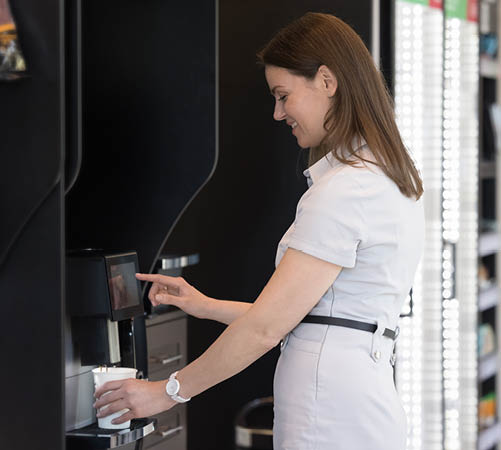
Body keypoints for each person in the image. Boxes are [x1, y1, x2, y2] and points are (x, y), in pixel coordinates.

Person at [94, 12, 424, 450]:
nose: (277, 112)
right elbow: (309, 316)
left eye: (283, 95)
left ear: (326, 80)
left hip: (330, 410)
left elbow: (269, 328)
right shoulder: (383, 176)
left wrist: (166, 391)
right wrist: (205, 305)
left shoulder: (346, 191)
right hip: (358, 403)